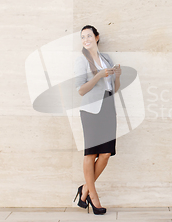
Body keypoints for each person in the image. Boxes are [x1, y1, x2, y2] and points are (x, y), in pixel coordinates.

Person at [72, 25, 121, 215]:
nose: (86, 39)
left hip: (108, 108)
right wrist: (99, 75)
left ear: (97, 37)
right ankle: (93, 196)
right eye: (83, 37)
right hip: (91, 110)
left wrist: (117, 77)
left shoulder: (106, 59)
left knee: (106, 153)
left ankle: (84, 189)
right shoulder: (82, 60)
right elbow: (81, 89)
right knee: (91, 154)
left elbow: (114, 89)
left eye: (89, 36)